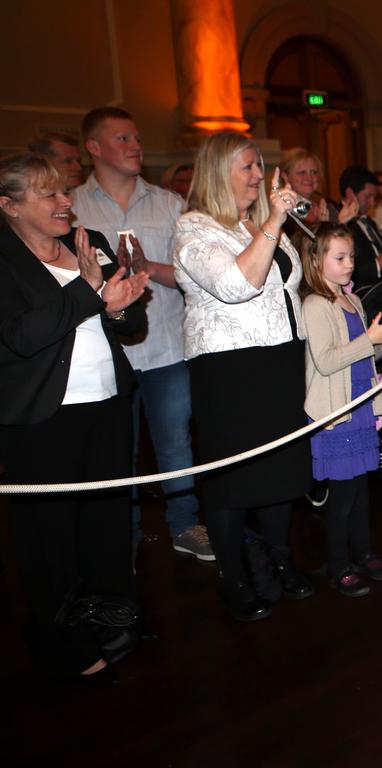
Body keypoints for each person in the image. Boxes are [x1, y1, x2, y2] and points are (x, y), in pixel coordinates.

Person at [0, 152, 148, 684]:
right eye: (50, 194)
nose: (66, 202)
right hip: (41, 418)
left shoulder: (91, 244)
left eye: (66, 192)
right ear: (9, 206)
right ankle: (60, 638)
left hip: (107, 403)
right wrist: (87, 291)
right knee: (50, 536)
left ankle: (111, 620)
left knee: (105, 523)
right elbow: (20, 337)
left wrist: (121, 306)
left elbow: (128, 326)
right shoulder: (5, 260)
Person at [173, 132, 314, 621]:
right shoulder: (194, 230)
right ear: (218, 172)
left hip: (277, 362)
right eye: (248, 168)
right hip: (229, 369)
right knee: (232, 481)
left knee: (279, 473)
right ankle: (232, 576)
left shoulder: (257, 223)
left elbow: (287, 287)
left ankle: (277, 557)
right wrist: (274, 221)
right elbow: (237, 284)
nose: (259, 176)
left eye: (259, 166)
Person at [72, 106, 211, 563]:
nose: (136, 146)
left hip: (166, 344)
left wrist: (150, 268)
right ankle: (124, 537)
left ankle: (185, 525)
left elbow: (193, 275)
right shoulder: (73, 206)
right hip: (107, 351)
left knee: (175, 442)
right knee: (118, 449)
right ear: (94, 147)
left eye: (136, 138)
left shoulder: (169, 203)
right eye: (123, 139)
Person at [300, 226, 382, 596]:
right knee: (343, 496)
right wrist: (369, 341)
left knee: (361, 492)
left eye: (351, 257)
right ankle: (337, 562)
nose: (348, 265)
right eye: (339, 258)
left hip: (360, 406)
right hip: (336, 412)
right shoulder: (315, 304)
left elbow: (363, 354)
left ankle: (363, 552)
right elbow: (327, 362)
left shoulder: (352, 301)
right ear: (317, 261)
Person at [337, 165, 382, 287]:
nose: (372, 203)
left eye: (374, 197)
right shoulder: (337, 224)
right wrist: (377, 266)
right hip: (361, 295)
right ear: (350, 194)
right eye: (368, 196)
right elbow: (335, 268)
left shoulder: (369, 222)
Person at [279, 148, 341, 249]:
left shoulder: (328, 207)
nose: (309, 178)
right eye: (302, 172)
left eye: (314, 172)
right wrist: (321, 226)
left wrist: (343, 222)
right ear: (285, 176)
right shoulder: (282, 211)